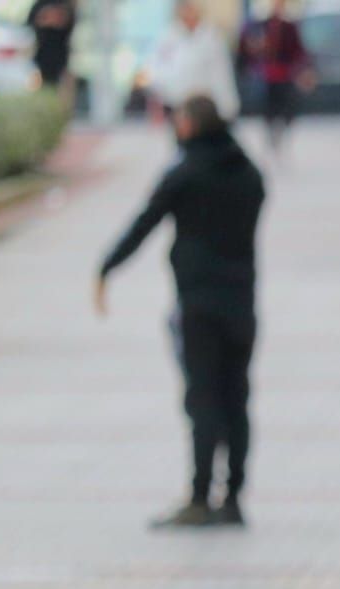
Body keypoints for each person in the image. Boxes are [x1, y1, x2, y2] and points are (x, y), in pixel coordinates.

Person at [94, 94, 265, 529]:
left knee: (202, 397)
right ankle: (235, 497)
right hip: (243, 302)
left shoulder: (185, 174)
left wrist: (107, 266)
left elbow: (144, 223)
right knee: (237, 396)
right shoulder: (249, 174)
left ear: (189, 126)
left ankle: (199, 495)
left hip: (198, 305)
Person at [236, 0, 314, 156]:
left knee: (287, 105)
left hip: (284, 74)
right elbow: (245, 49)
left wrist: (302, 70)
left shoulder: (289, 28)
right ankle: (271, 131)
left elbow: (298, 51)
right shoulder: (259, 26)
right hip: (266, 74)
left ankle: (282, 129)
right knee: (267, 106)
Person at [146, 1, 240, 127]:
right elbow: (156, 68)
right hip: (177, 102)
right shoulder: (168, 36)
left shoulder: (211, 37)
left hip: (205, 103)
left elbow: (221, 74)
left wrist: (227, 104)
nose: (189, 14)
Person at [25, 0, 78, 102]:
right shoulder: (40, 4)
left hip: (59, 56)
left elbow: (67, 23)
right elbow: (29, 25)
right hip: (40, 56)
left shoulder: (65, 5)